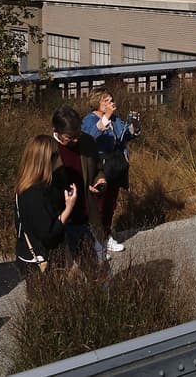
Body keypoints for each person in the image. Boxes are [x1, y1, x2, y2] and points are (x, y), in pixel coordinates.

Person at [81, 91, 137, 254]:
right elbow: (90, 136)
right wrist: (106, 117)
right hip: (100, 167)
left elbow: (124, 135)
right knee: (98, 204)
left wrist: (134, 127)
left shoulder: (115, 119)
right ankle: (95, 239)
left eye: (111, 100)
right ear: (97, 103)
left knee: (110, 204)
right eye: (106, 100)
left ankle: (106, 235)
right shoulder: (89, 120)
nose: (110, 103)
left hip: (115, 165)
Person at [14, 135, 78, 277]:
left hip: (31, 254)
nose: (59, 159)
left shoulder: (27, 185)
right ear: (48, 159)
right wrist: (69, 207)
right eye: (57, 155)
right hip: (39, 261)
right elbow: (48, 235)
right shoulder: (34, 194)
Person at [51, 106, 108, 262]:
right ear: (56, 131)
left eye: (78, 134)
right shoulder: (47, 149)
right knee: (65, 267)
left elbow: (98, 169)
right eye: (70, 137)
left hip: (86, 215)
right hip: (60, 219)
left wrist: (100, 181)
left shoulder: (87, 142)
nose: (75, 140)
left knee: (96, 266)